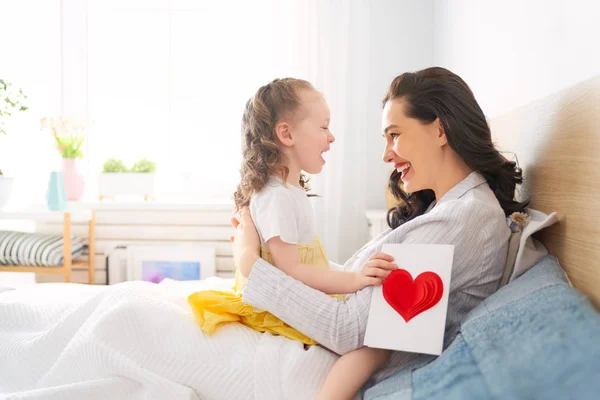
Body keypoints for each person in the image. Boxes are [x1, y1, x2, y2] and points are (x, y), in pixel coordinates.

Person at [232, 67, 528, 399]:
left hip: (337, 365)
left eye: (395, 135)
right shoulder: (444, 208)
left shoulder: (464, 217)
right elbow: (355, 292)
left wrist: (250, 264)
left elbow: (349, 331)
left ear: (441, 131)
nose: (386, 154)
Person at [188, 78, 390, 350]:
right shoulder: (277, 197)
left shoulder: (288, 191)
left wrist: (353, 274)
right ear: (286, 134)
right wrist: (353, 280)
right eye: (323, 127)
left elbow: (306, 263)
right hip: (273, 308)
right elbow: (293, 271)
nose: (331, 137)